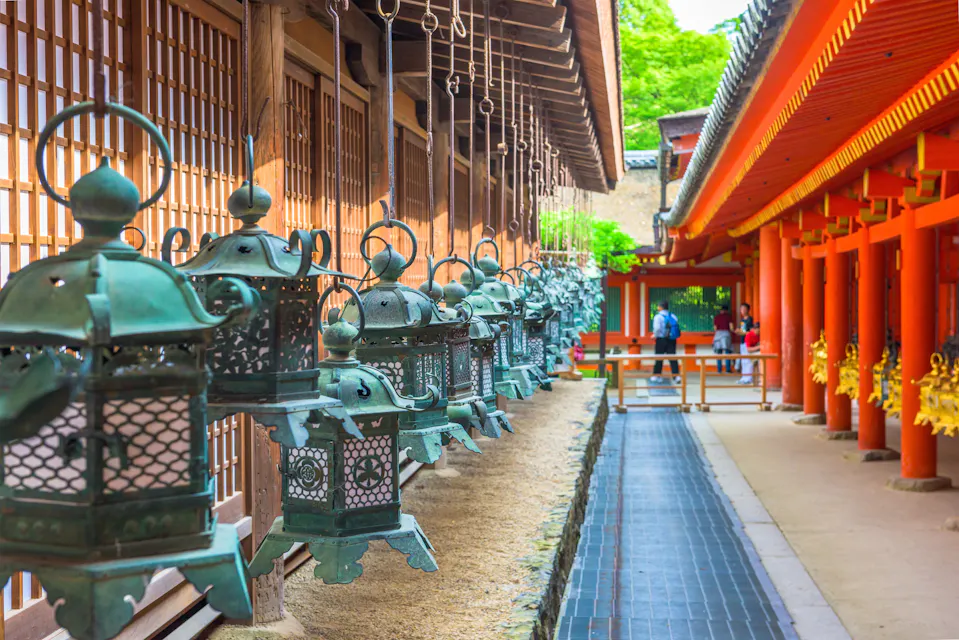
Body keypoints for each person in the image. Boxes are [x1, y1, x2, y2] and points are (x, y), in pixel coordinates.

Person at [650, 301, 681, 385]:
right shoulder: (673, 316)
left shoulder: (658, 317)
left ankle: (657, 376)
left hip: (661, 340)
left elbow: (657, 328)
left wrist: (654, 335)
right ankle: (676, 376)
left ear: (660, 307)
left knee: (659, 358)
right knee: (672, 358)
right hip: (671, 340)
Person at [712, 304, 734, 373]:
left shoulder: (716, 317)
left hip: (718, 334)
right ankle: (728, 369)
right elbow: (731, 327)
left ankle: (719, 370)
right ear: (727, 310)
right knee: (727, 352)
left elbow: (715, 328)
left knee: (719, 353)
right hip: (726, 334)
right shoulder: (729, 317)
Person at [735, 302, 755, 372]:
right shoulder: (742, 320)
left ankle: (748, 377)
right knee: (743, 360)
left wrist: (741, 332)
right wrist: (738, 331)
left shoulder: (750, 319)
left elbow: (751, 332)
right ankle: (744, 376)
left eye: (744, 309)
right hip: (742, 341)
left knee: (747, 361)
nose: (742, 311)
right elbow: (742, 330)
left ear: (748, 310)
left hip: (748, 341)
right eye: (741, 309)